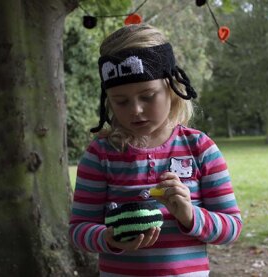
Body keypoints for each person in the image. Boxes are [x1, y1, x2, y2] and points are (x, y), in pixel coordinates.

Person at [69, 23, 242, 277]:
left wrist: (189, 215)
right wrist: (108, 237)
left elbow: (231, 228)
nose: (135, 109)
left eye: (148, 96)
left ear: (171, 89)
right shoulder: (101, 155)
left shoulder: (201, 149)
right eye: (121, 101)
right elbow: (78, 229)